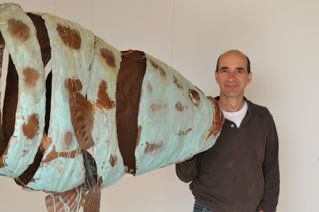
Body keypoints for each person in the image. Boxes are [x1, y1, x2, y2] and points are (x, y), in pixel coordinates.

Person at [176, 50, 279, 212]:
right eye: (225, 70)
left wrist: (268, 208)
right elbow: (185, 175)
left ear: (249, 76)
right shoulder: (202, 117)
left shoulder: (263, 118)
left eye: (239, 71)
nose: (232, 77)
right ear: (216, 75)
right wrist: (188, 134)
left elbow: (271, 170)